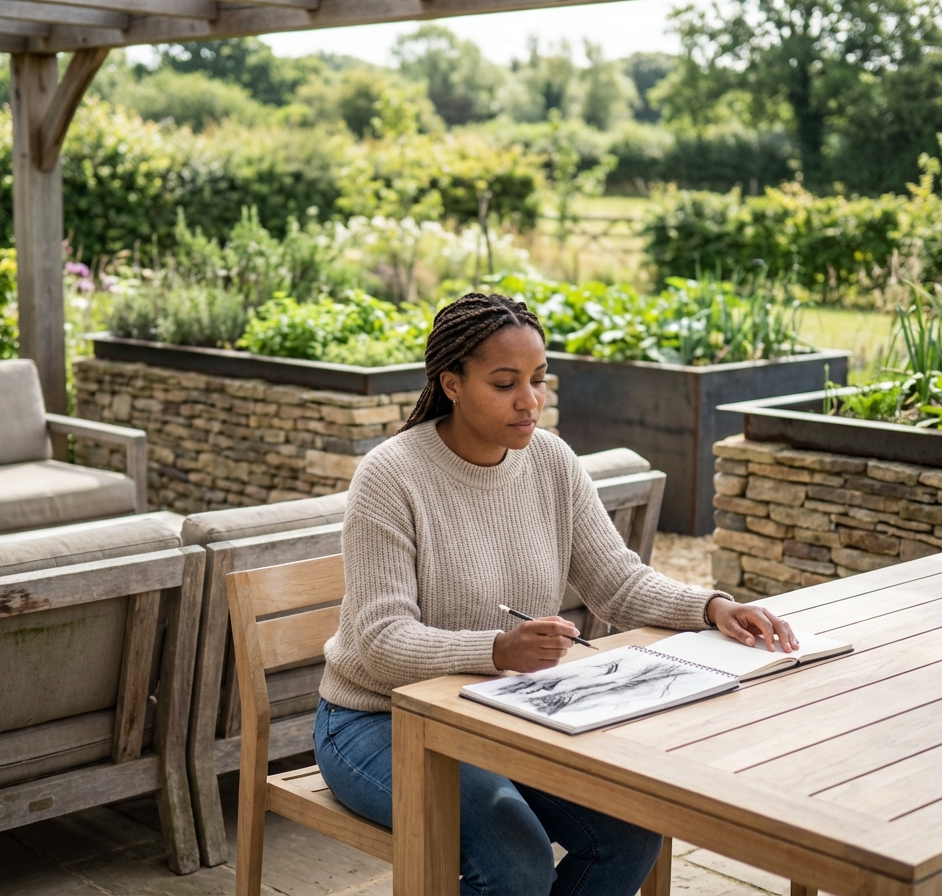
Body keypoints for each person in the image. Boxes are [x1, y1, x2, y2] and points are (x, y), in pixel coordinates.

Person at [313, 292, 797, 896]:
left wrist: (711, 607)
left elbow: (617, 582)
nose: (530, 400)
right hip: (377, 719)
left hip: (504, 712)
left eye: (539, 379)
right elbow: (381, 643)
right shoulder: (390, 476)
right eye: (505, 382)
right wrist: (497, 650)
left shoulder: (550, 461)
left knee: (630, 829)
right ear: (452, 384)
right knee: (516, 856)